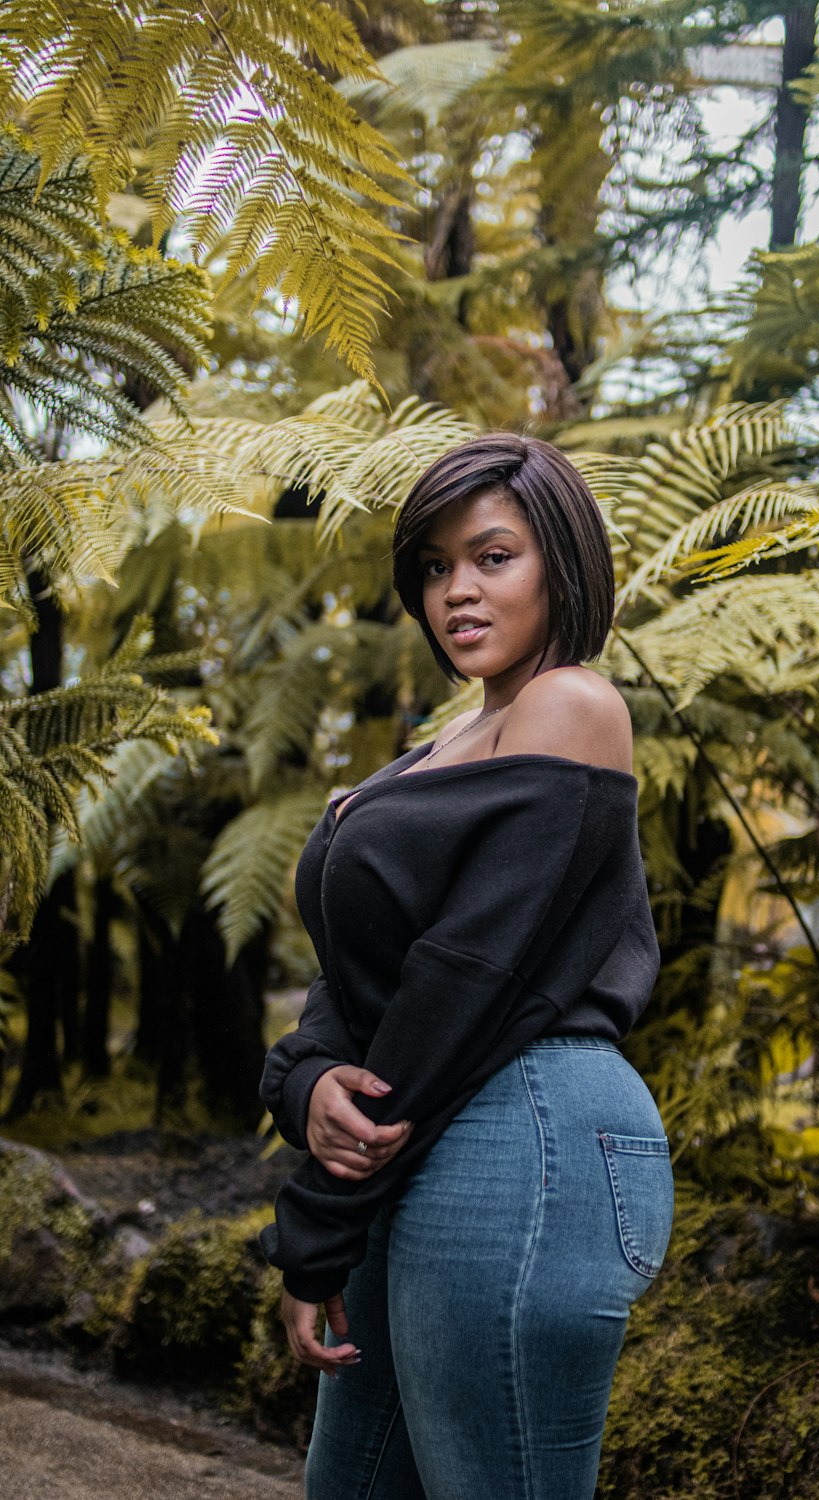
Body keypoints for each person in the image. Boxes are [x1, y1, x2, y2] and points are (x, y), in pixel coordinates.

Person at [259, 433, 674, 1500]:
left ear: (563, 564)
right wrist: (303, 1085)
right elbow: (358, 975)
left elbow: (465, 973)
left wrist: (317, 1219)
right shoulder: (443, 744)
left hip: (526, 1135)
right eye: (436, 566)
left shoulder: (571, 703)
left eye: (493, 556)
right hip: (434, 1130)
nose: (458, 590)